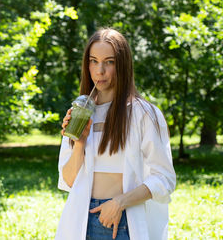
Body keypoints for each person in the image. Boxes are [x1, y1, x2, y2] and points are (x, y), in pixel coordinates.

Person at [56, 28, 176, 240]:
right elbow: (69, 180)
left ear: (122, 65)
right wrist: (80, 143)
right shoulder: (80, 113)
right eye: (93, 61)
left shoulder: (144, 113)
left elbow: (164, 178)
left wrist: (120, 202)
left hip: (121, 222)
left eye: (109, 62)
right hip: (81, 221)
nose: (99, 70)